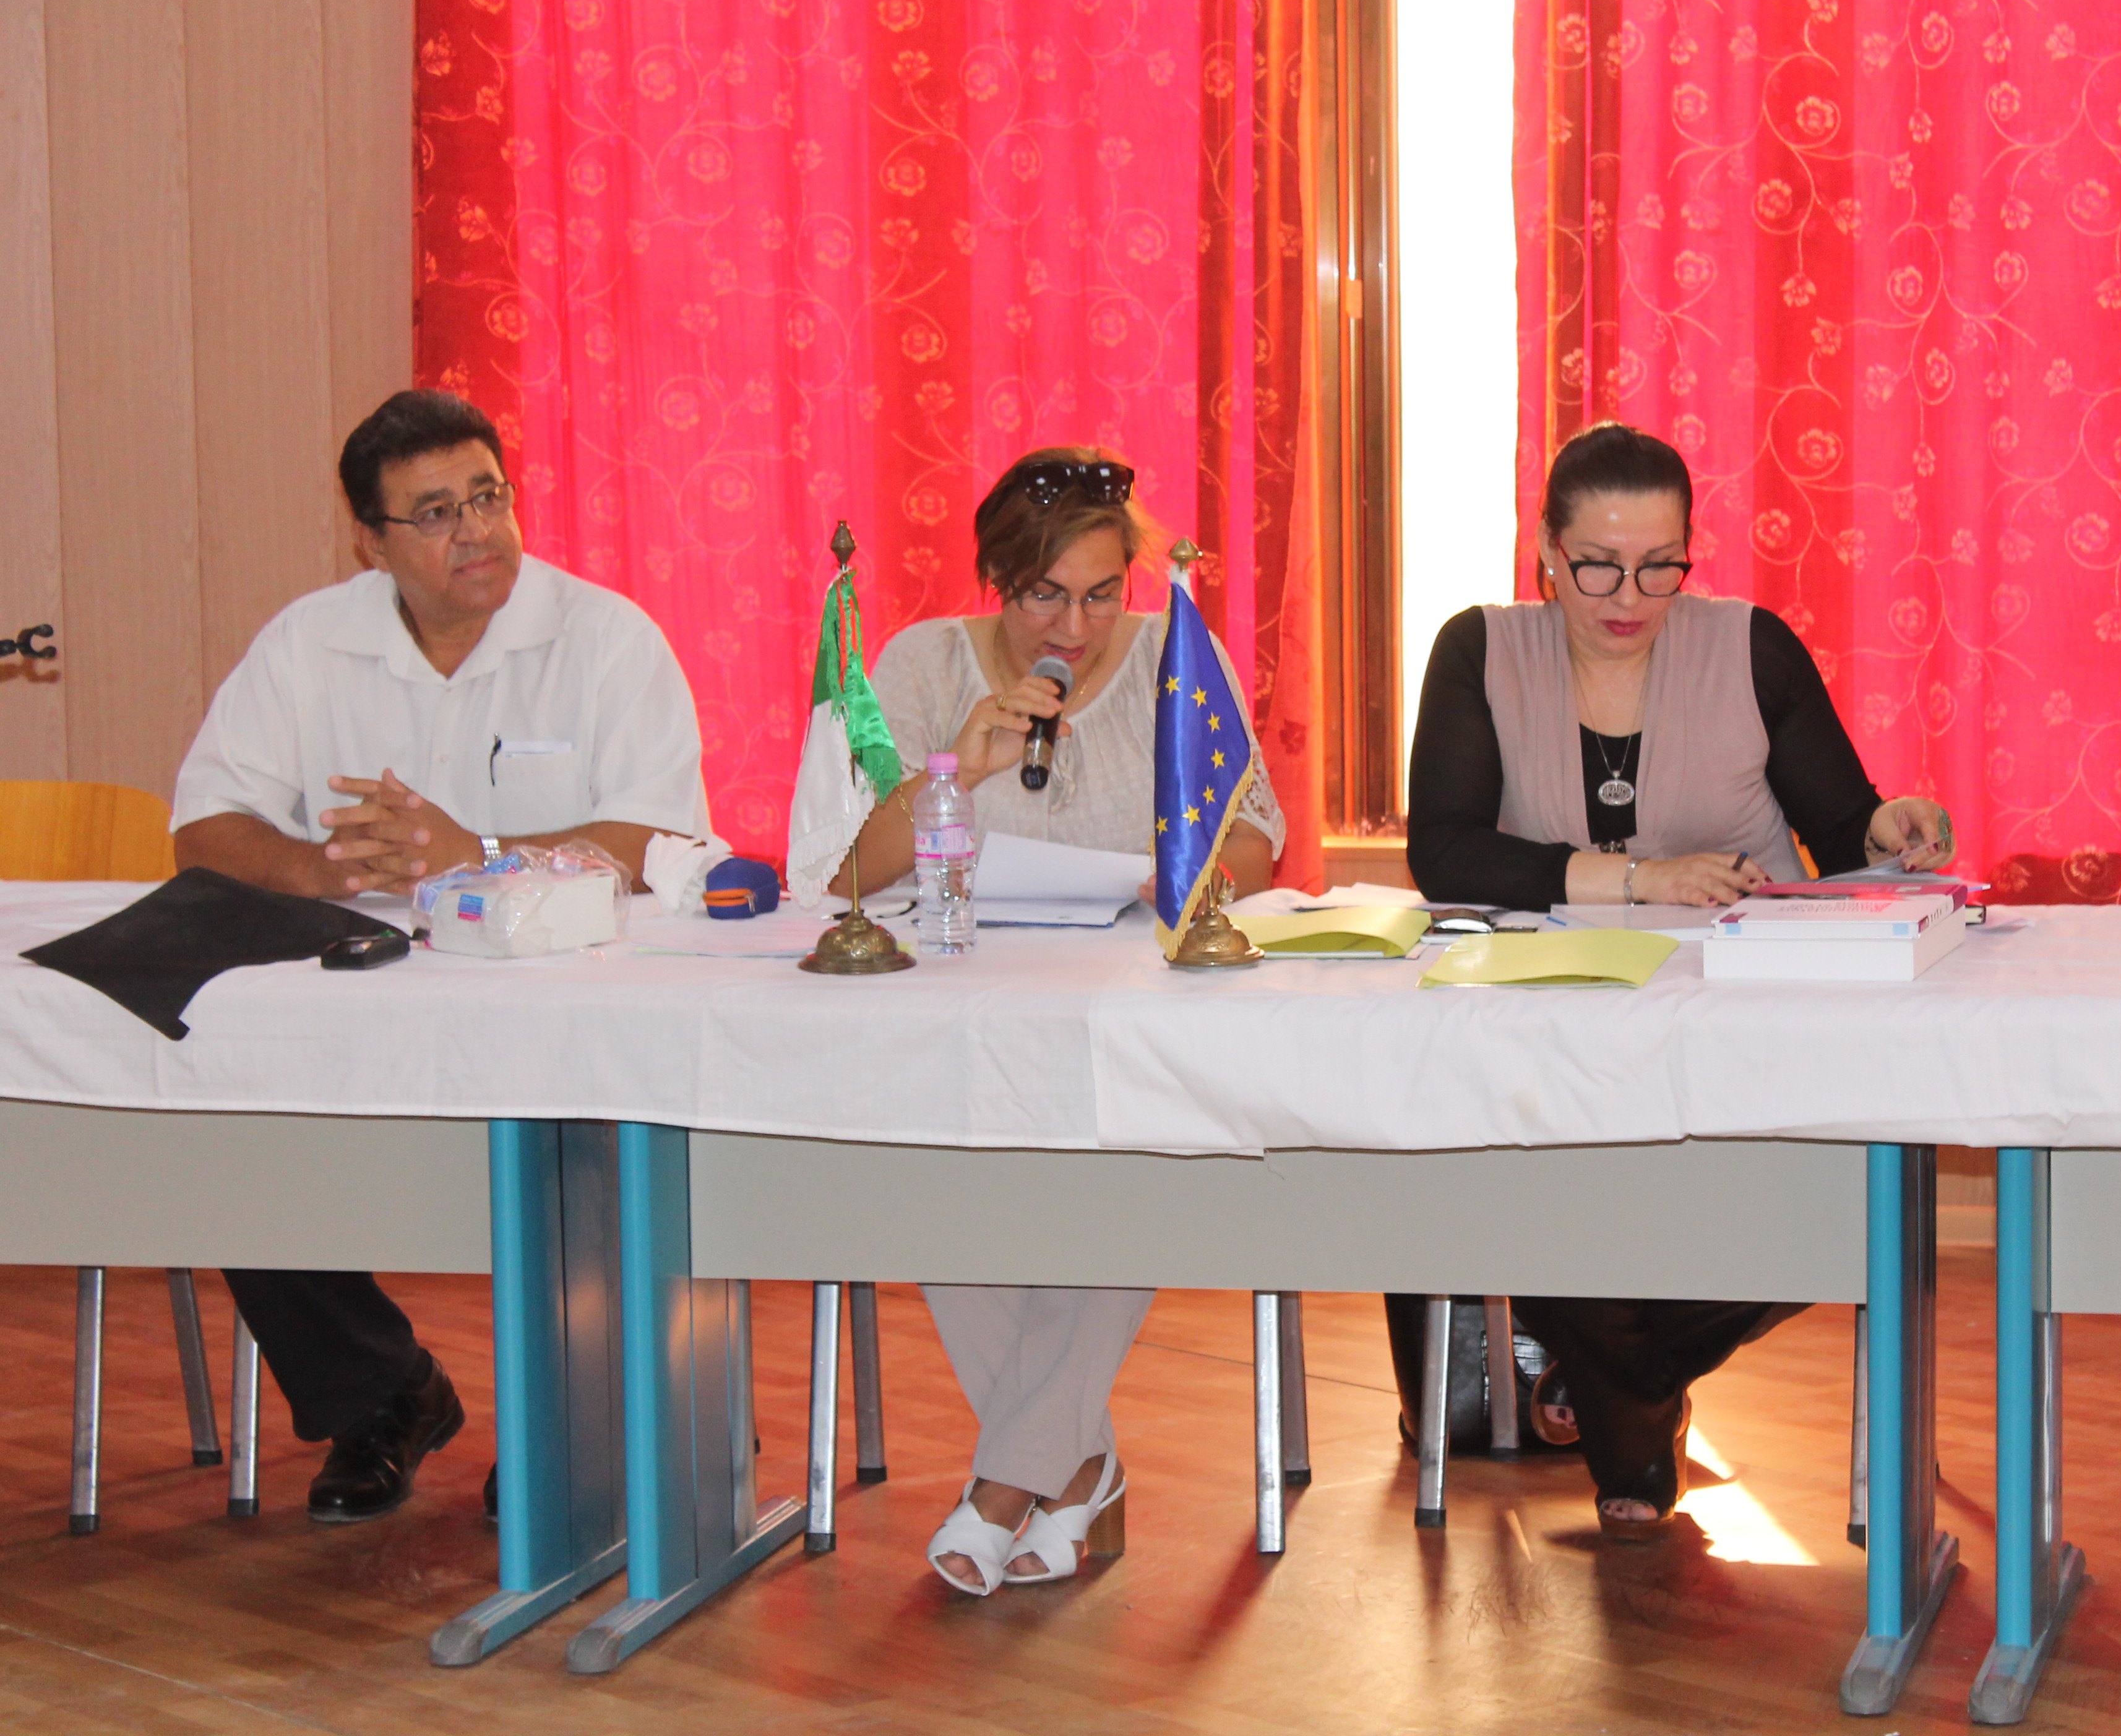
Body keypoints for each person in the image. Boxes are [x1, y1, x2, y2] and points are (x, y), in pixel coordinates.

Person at [1403, 421, 1954, 1537]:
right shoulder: (1480, 650)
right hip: (1553, 1036)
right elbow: (1446, 852)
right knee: (1513, 1190)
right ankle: (1633, 1400)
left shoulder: (1750, 648)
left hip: (1743, 1033)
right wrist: (1637, 880)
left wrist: (1892, 828)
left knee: (1834, 1208)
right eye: (1598, 566)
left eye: (1661, 566)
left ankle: (1623, 1386)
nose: (1630, 597)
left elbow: (1845, 826)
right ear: (1545, 551)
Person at [171, 389, 710, 1521]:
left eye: (488, 497)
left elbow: (660, 844)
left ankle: (590, 1408)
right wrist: (323, 868)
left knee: (594, 1149)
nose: (476, 531)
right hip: (360, 1000)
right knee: (230, 1133)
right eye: (435, 513)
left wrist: (482, 858)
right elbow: (206, 829)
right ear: (369, 542)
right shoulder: (308, 643)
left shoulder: (605, 639)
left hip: (568, 1012)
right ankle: (384, 1394)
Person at [803, 446, 1284, 1593]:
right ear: (997, 581)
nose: (1074, 627)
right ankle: (1073, 1474)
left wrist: (1183, 874)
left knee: (1132, 1173)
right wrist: (954, 775)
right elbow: (843, 875)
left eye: (1102, 594)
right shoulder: (924, 663)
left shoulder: (1175, 657)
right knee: (926, 1176)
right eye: (1043, 597)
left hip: (1131, 1018)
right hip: (960, 1018)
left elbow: (1259, 840)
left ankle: (1008, 1486)